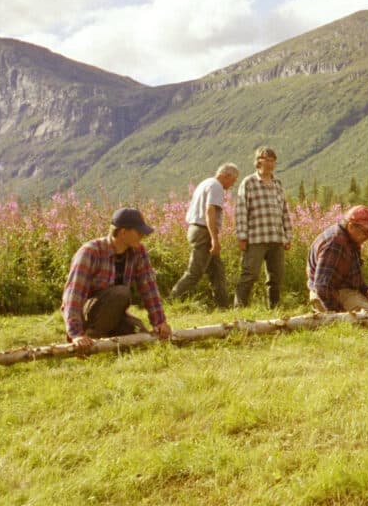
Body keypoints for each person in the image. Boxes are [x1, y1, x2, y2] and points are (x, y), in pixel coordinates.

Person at [61, 207, 172, 353]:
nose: (142, 236)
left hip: (115, 313)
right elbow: (73, 295)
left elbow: (148, 288)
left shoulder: (139, 252)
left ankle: (105, 341)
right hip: (89, 315)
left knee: (140, 334)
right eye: (138, 232)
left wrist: (159, 322)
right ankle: (90, 337)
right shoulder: (90, 252)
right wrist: (76, 333)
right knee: (121, 293)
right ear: (123, 232)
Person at [170, 163, 239, 307]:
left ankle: (223, 305)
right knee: (195, 272)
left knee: (217, 271)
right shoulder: (216, 186)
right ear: (226, 176)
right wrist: (214, 239)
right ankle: (171, 300)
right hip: (204, 232)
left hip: (196, 229)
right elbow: (210, 211)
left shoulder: (205, 183)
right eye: (233, 180)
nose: (232, 184)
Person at [233, 146, 292, 308]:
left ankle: (274, 309)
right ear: (258, 161)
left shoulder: (278, 183)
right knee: (249, 274)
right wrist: (242, 236)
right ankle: (239, 309)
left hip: (277, 238)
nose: (270, 164)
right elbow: (241, 210)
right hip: (256, 238)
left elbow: (284, 211)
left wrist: (288, 236)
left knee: (276, 277)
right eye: (267, 160)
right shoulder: (249, 182)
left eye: (273, 160)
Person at [306, 205, 368, 313]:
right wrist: (340, 314)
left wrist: (367, 291)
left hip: (344, 291)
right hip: (330, 296)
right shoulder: (335, 244)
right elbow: (322, 287)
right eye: (366, 232)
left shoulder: (350, 239)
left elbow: (353, 274)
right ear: (351, 226)